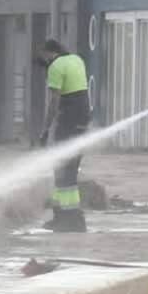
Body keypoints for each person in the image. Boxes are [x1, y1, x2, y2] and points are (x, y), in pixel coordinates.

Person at [38, 39, 90, 233]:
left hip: (68, 119)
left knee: (61, 169)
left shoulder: (56, 67)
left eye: (42, 55)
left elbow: (54, 101)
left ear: (48, 52)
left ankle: (66, 219)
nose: (41, 60)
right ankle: (71, 218)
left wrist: (45, 129)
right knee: (70, 169)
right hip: (82, 119)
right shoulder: (77, 60)